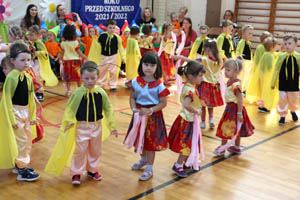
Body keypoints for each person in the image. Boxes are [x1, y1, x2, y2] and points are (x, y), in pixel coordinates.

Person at [45, 61, 118, 184]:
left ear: (97, 77)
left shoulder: (101, 92)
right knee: (80, 150)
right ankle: (76, 173)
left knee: (95, 150)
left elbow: (108, 108)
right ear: (81, 77)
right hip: (82, 127)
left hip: (97, 126)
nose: (90, 81)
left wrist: (112, 126)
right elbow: (70, 109)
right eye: (86, 78)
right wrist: (69, 121)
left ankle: (92, 170)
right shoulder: (78, 93)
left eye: (93, 78)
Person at [124, 52, 170, 181]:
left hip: (153, 118)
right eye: (146, 64)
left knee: (150, 144)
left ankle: (149, 168)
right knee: (140, 140)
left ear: (157, 67)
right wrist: (133, 108)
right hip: (139, 116)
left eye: (152, 65)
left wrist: (151, 110)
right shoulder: (135, 81)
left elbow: (163, 103)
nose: (148, 68)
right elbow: (132, 97)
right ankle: (143, 159)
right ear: (141, 65)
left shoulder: (159, 85)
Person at [0, 42, 40, 181]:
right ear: (12, 61)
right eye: (22, 60)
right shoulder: (11, 78)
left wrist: (33, 115)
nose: (26, 63)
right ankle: (22, 170)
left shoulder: (28, 77)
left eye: (28, 60)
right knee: (22, 141)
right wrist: (12, 119)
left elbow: (30, 98)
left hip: (26, 113)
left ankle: (20, 164)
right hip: (15, 113)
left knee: (27, 139)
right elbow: (7, 100)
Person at [168, 61, 206, 177]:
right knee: (186, 143)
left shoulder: (188, 86)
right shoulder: (190, 90)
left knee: (191, 142)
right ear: (191, 76)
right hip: (187, 121)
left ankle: (187, 163)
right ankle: (178, 165)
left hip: (188, 120)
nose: (202, 78)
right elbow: (186, 104)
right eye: (200, 75)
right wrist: (197, 111)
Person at [213, 59, 254, 156]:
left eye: (228, 70)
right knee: (234, 127)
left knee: (226, 127)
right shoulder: (230, 81)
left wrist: (239, 113)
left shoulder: (236, 85)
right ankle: (236, 147)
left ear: (236, 71)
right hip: (230, 108)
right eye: (225, 70)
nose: (225, 72)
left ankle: (223, 148)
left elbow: (240, 100)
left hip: (234, 109)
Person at [271, 34, 300, 125]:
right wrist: (273, 82)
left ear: (296, 44)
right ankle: (282, 116)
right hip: (283, 83)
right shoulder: (281, 56)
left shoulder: (298, 57)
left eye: (289, 43)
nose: (287, 46)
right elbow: (276, 70)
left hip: (294, 84)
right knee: (282, 100)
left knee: (293, 99)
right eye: (285, 43)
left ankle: (292, 111)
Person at [196, 40, 224, 129]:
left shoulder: (204, 59)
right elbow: (223, 66)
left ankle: (203, 122)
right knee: (210, 105)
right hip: (214, 85)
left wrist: (181, 57)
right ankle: (211, 119)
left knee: (203, 104)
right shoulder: (219, 60)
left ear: (208, 50)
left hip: (205, 85)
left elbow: (194, 61)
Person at [247, 37, 279, 113]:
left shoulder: (267, 54)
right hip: (268, 79)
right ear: (272, 47)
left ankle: (265, 106)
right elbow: (271, 68)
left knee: (265, 93)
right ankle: (266, 107)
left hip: (265, 79)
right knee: (267, 93)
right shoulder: (269, 56)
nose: (277, 47)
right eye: (276, 46)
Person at [28, 25, 59, 101]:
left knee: (38, 78)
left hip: (38, 63)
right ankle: (33, 91)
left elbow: (45, 54)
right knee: (32, 77)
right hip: (32, 63)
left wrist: (36, 52)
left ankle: (40, 93)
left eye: (31, 35)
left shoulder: (39, 43)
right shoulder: (31, 42)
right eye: (29, 34)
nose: (29, 36)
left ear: (38, 35)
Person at [59, 24, 88, 96]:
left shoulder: (62, 43)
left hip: (66, 62)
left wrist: (59, 59)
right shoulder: (75, 43)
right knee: (78, 76)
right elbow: (79, 52)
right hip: (76, 61)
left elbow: (61, 53)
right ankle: (79, 88)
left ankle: (68, 91)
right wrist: (85, 57)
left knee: (68, 77)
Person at [97, 19, 125, 92]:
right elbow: (96, 47)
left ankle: (113, 85)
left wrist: (123, 57)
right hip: (103, 57)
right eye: (110, 27)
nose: (112, 29)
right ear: (106, 28)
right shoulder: (102, 36)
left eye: (113, 28)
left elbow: (121, 48)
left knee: (113, 72)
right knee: (102, 70)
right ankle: (100, 84)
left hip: (113, 57)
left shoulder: (117, 37)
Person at [236, 24, 254, 92]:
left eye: (252, 34)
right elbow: (238, 53)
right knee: (241, 77)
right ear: (243, 33)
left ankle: (243, 90)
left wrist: (252, 62)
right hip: (243, 63)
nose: (250, 35)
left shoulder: (248, 43)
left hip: (248, 63)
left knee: (246, 78)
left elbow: (250, 54)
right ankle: (239, 90)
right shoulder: (241, 42)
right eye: (249, 33)